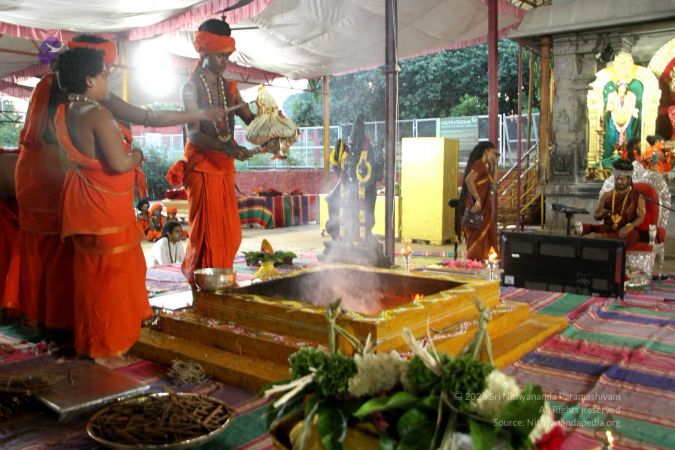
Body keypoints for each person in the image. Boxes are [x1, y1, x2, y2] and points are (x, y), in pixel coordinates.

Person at [12, 33, 226, 332]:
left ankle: (65, 323)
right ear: (88, 73)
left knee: (76, 256)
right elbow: (137, 128)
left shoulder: (73, 94)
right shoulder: (86, 104)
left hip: (62, 180)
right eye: (105, 68)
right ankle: (91, 326)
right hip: (56, 179)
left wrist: (200, 113)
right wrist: (131, 155)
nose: (110, 72)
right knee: (87, 258)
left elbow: (147, 116)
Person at [52, 47, 151, 358]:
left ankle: (92, 342)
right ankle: (110, 347)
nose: (108, 81)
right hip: (105, 209)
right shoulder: (98, 114)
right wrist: (137, 155)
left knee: (92, 275)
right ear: (89, 80)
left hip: (83, 203)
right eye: (105, 76)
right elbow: (119, 164)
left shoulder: (65, 111)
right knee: (114, 276)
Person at [166, 18, 257, 283]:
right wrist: (228, 147)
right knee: (205, 235)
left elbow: (250, 120)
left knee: (230, 234)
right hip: (202, 165)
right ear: (204, 52)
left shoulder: (230, 88)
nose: (224, 62)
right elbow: (194, 133)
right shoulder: (190, 88)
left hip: (224, 165)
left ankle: (220, 282)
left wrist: (273, 124)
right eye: (220, 56)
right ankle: (202, 286)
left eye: (227, 56)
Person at [456, 141, 499, 261]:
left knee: (482, 240)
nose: (494, 155)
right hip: (477, 210)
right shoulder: (479, 164)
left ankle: (478, 264)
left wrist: (494, 164)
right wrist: (478, 200)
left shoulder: (484, 167)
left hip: (482, 211)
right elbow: (469, 180)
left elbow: (494, 186)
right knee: (477, 242)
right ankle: (473, 264)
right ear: (486, 151)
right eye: (493, 152)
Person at [588, 158, 645, 247]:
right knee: (584, 227)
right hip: (608, 229)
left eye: (622, 179)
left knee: (633, 235)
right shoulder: (607, 195)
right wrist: (602, 213)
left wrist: (630, 226)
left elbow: (641, 217)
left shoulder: (637, 196)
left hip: (625, 232)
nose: (618, 181)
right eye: (616, 178)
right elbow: (596, 216)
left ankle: (599, 238)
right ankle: (604, 237)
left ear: (629, 179)